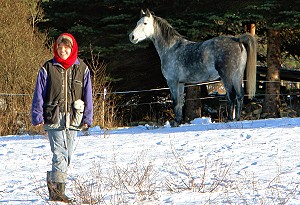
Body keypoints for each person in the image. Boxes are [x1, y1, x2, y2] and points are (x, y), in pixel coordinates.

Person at [31, 33, 93, 202]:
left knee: (68, 155)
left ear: (72, 49)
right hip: (53, 116)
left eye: (66, 47)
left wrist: (87, 118)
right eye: (60, 47)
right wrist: (37, 115)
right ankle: (59, 194)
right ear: (56, 48)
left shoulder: (83, 68)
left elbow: (88, 94)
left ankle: (53, 187)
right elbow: (39, 93)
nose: (63, 50)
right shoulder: (48, 67)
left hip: (74, 118)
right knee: (60, 153)